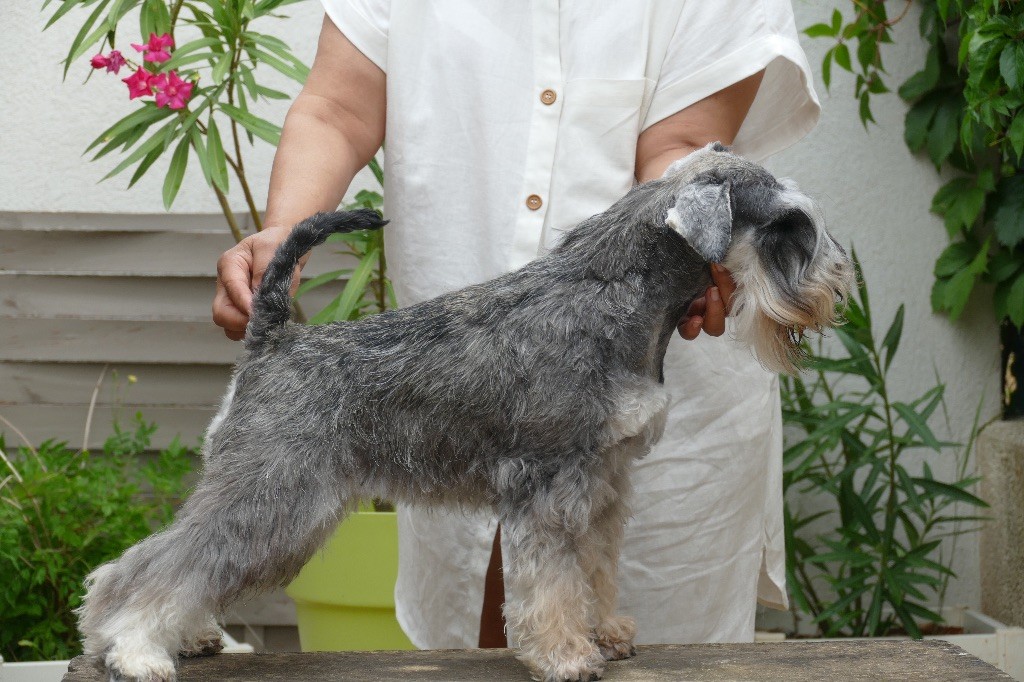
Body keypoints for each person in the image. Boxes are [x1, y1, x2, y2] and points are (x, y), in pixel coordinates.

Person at [213, 1, 819, 648]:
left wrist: (688, 258)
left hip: (648, 367)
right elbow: (337, 109)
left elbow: (681, 150)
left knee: (654, 636)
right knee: (466, 623)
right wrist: (283, 234)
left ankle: (586, 616)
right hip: (451, 371)